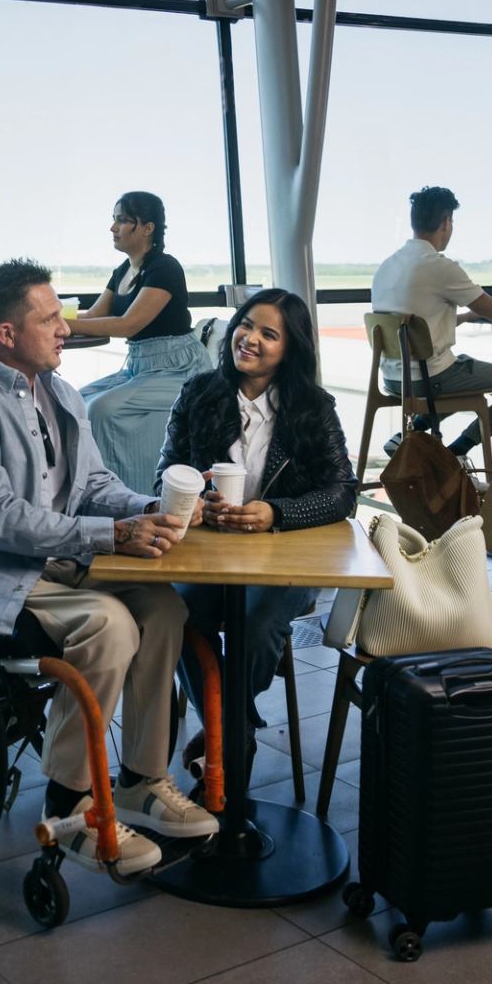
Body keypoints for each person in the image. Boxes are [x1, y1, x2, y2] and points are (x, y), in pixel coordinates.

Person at [0, 258, 219, 874]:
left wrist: (149, 507)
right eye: (50, 319)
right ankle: (70, 804)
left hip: (54, 556)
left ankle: (142, 780)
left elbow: (94, 484)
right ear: (7, 335)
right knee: (110, 625)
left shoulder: (60, 394)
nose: (66, 327)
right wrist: (109, 535)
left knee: (166, 607)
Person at [155, 288, 359, 770]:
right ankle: (235, 733)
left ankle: (223, 734)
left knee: (261, 622)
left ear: (290, 349)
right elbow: (165, 473)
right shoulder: (199, 393)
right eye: (245, 325)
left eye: (269, 334)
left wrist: (277, 514)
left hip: (280, 557)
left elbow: (342, 491)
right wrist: (192, 502)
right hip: (208, 552)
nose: (249, 339)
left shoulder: (312, 407)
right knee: (174, 612)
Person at [370, 186, 492, 459]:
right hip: (427, 379)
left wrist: (466, 316)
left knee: (465, 373)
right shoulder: (438, 266)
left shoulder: (387, 266)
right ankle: (455, 453)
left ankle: (409, 434)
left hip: (393, 379)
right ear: (446, 223)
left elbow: (411, 327)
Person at [77, 192, 212, 489]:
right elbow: (92, 318)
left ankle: (124, 497)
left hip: (179, 369)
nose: (113, 228)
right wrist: (45, 321)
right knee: (76, 401)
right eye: (114, 220)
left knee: (102, 410)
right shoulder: (123, 271)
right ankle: (85, 489)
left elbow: (128, 325)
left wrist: (60, 323)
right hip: (141, 366)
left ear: (147, 228)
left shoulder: (164, 268)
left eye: (123, 220)